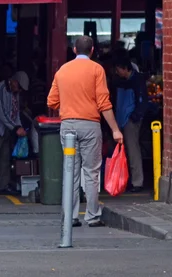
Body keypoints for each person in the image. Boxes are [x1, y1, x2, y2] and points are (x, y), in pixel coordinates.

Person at [47, 36, 124, 228]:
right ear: (92, 50)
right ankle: (92, 216)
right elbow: (104, 103)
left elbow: (52, 102)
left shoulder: (62, 70)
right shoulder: (96, 69)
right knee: (91, 172)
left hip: (67, 126)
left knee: (70, 172)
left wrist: (69, 102)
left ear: (74, 50)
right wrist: (115, 129)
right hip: (90, 126)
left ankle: (70, 216)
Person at [113, 56, 148, 192]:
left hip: (130, 121)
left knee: (133, 151)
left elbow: (142, 102)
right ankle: (128, 180)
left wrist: (134, 117)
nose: (117, 73)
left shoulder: (136, 81)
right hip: (123, 120)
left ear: (125, 68)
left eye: (118, 70)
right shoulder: (123, 81)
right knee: (127, 152)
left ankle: (137, 182)